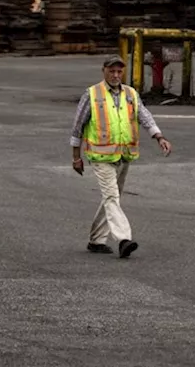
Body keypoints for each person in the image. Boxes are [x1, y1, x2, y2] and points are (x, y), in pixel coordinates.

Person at [69, 56, 172, 258]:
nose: (115, 75)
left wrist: (159, 136)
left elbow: (144, 116)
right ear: (104, 71)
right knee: (111, 197)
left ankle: (96, 240)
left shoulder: (130, 93)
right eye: (111, 71)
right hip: (100, 156)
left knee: (112, 198)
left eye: (119, 72)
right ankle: (124, 239)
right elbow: (77, 127)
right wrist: (76, 157)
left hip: (124, 155)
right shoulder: (92, 94)